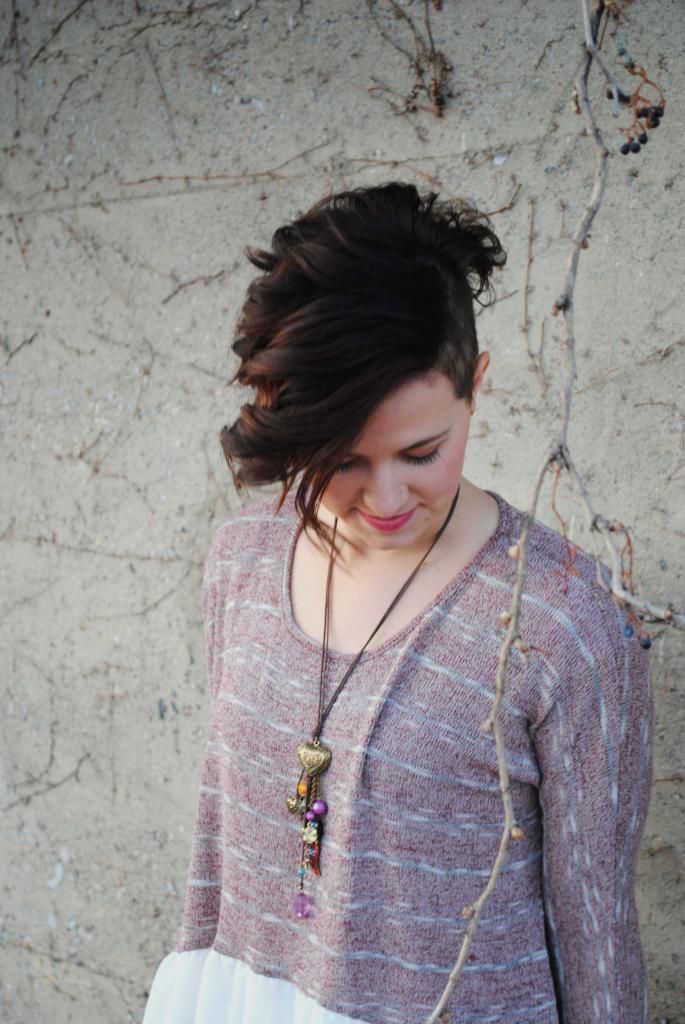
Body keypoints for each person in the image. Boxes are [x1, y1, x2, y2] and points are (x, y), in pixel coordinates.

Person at [141, 182, 654, 1024]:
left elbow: (595, 930)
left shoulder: (562, 623)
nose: (384, 498)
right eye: (342, 457)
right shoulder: (244, 558)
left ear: (475, 386)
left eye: (421, 452)